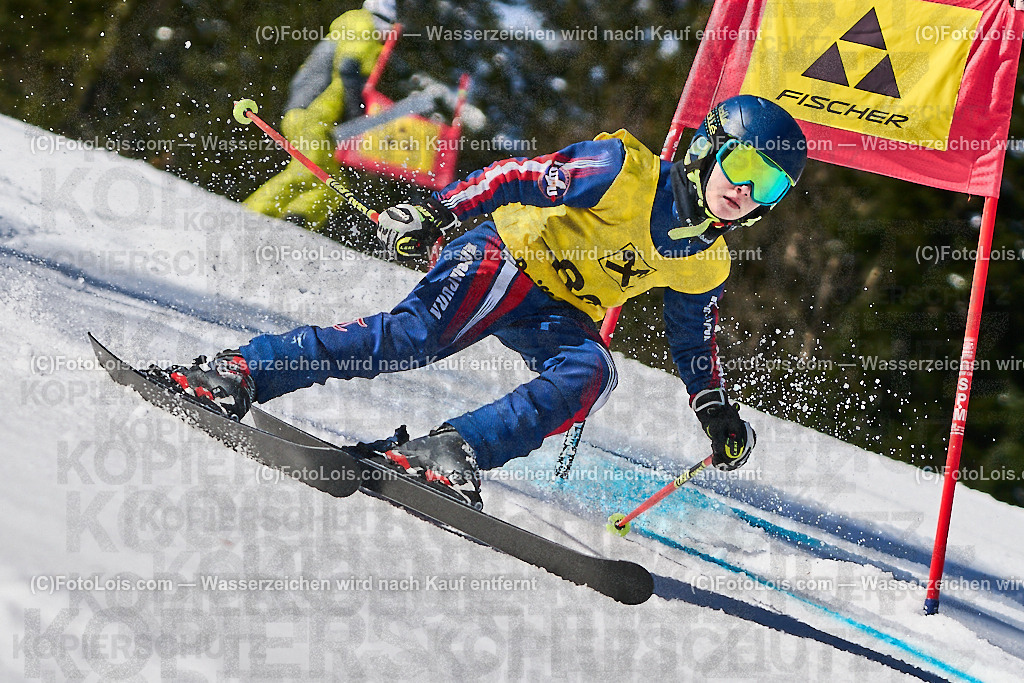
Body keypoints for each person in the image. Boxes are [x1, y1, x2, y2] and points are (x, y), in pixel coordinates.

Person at [168, 95, 807, 510]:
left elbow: (693, 339)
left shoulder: (708, 260)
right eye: (744, 166)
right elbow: (517, 176)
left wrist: (716, 411)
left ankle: (451, 450)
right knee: (411, 340)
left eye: (771, 185)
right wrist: (440, 210)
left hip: (560, 314)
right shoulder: (625, 171)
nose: (748, 191)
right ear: (709, 149)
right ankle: (238, 371)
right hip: (507, 256)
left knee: (592, 372)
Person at [243, 0, 396, 231]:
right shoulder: (362, 24)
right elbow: (348, 67)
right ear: (382, 20)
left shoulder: (349, 26)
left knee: (333, 187)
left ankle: (295, 221)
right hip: (312, 114)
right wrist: (358, 116)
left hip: (309, 114)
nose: (387, 37)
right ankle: (247, 215)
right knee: (307, 174)